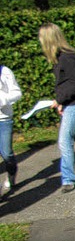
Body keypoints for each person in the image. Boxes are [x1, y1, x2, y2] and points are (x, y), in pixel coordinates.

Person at [38, 23, 75, 192]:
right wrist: (62, 102)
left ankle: (68, 178)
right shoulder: (62, 57)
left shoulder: (67, 58)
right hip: (70, 102)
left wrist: (59, 100)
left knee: (64, 140)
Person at [0, 63, 22, 194]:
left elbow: (17, 93)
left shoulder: (4, 71)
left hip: (4, 119)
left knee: (7, 153)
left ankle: (11, 173)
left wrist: (3, 99)